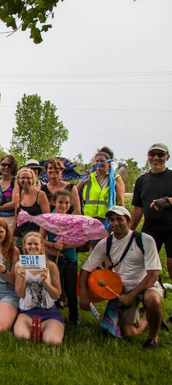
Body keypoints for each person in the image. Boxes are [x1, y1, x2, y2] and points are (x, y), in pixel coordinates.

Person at [80, 206, 164, 349]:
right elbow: (85, 270)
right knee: (129, 333)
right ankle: (148, 319)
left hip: (146, 284)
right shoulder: (105, 243)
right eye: (112, 220)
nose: (115, 223)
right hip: (121, 290)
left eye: (120, 219)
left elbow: (153, 275)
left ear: (128, 221)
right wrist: (83, 296)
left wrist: (132, 295)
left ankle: (153, 338)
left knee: (152, 299)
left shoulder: (145, 240)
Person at [13, 232, 64, 345]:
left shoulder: (51, 266)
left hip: (49, 312)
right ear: (25, 246)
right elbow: (20, 294)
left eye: (36, 244)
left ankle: (45, 329)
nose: (32, 247)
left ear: (42, 246)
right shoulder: (19, 265)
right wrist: (22, 278)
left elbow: (57, 295)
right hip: (27, 312)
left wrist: (45, 281)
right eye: (29, 244)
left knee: (53, 342)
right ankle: (34, 328)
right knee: (22, 337)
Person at [130, 143, 172, 280]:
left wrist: (167, 201)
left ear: (167, 157)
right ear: (148, 157)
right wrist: (129, 232)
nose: (156, 158)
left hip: (171, 227)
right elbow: (137, 208)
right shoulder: (142, 180)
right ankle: (150, 292)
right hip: (151, 228)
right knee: (143, 265)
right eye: (152, 154)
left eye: (160, 155)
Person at [44, 189, 79, 324]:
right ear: (54, 202)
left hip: (70, 259)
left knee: (70, 289)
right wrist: (53, 245)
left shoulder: (73, 220)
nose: (63, 206)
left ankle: (74, 318)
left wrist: (66, 245)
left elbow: (80, 240)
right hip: (54, 259)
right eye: (60, 202)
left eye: (66, 203)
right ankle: (55, 315)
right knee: (55, 288)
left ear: (70, 205)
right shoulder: (47, 219)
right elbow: (40, 239)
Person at [82, 150, 126, 222]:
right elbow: (76, 191)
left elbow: (121, 202)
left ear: (108, 163)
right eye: (97, 161)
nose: (99, 163)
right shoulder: (87, 176)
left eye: (102, 161)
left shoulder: (115, 179)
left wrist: (121, 220)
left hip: (108, 219)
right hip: (88, 219)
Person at [12, 167, 50, 251]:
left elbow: (46, 219)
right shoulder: (18, 196)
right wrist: (10, 237)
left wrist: (39, 238)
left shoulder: (40, 195)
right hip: (18, 236)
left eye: (28, 178)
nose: (25, 180)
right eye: (22, 178)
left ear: (33, 180)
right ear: (18, 180)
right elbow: (16, 219)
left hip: (34, 238)